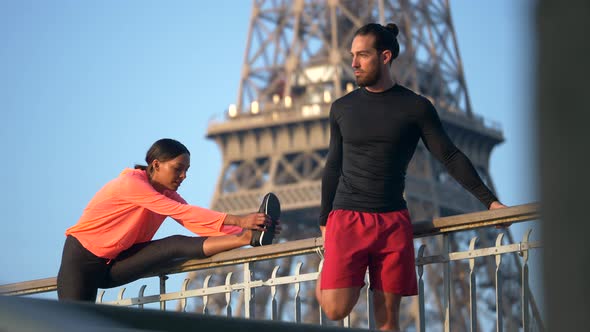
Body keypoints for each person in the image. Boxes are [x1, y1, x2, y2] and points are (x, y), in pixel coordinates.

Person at [315, 23, 507, 331]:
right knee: (335, 309)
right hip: (348, 217)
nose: (354, 63)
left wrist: (491, 202)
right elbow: (333, 164)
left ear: (385, 56)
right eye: (352, 55)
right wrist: (325, 219)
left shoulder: (416, 107)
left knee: (389, 322)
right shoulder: (342, 108)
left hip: (392, 221)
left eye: (363, 55)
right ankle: (332, 274)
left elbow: (450, 156)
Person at [57, 138, 281, 302]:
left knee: (174, 244)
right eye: (178, 169)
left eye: (187, 170)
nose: (183, 175)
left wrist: (247, 227)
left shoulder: (165, 193)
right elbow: (184, 212)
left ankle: (247, 239)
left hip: (115, 262)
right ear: (155, 165)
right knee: (75, 324)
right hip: (81, 263)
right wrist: (241, 219)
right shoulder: (131, 184)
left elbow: (194, 221)